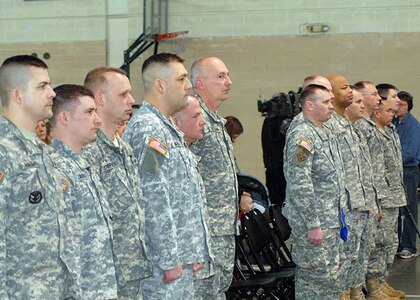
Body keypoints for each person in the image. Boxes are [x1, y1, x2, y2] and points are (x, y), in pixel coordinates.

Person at [123, 53, 212, 299]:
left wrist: (191, 250)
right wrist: (169, 258)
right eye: (181, 79)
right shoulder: (148, 129)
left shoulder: (165, 127)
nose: (189, 85)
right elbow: (153, 197)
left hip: (179, 258)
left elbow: (181, 195)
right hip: (163, 267)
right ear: (160, 85)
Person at [0, 55, 79, 298]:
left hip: (54, 289)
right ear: (18, 95)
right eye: (42, 86)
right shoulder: (4, 151)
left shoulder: (40, 149)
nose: (52, 93)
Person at [83, 66, 153, 298]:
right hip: (106, 274)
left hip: (132, 268)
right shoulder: (88, 151)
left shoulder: (123, 148)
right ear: (100, 99)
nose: (131, 100)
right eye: (123, 94)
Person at [49, 84, 119, 299]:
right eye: (89, 112)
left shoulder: (84, 162)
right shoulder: (53, 170)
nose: (97, 120)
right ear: (64, 118)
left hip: (101, 286)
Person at [283, 84, 345, 300]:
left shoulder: (323, 132)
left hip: (331, 220)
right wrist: (313, 224)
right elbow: (299, 181)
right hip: (315, 224)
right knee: (315, 281)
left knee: (330, 281)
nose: (331, 106)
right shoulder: (303, 137)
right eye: (326, 102)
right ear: (309, 105)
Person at [190, 56, 238, 299]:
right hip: (207, 230)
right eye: (220, 76)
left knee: (219, 291)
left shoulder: (215, 121)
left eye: (227, 75)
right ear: (200, 83)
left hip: (223, 227)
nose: (228, 81)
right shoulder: (192, 117)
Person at [344, 87, 379, 299]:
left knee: (360, 254)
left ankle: (358, 292)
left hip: (361, 204)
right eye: (357, 101)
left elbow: (365, 170)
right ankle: (348, 293)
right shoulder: (336, 131)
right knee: (348, 257)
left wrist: (371, 202)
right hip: (348, 207)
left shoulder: (355, 130)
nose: (363, 105)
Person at [370, 95, 407, 299]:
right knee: (380, 244)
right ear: (377, 112)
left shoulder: (390, 131)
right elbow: (376, 171)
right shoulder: (373, 133)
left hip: (394, 196)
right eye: (389, 110)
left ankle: (381, 282)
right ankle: (373, 286)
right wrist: (378, 202)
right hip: (384, 199)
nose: (393, 115)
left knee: (390, 243)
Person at [394, 91, 420, 259]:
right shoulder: (395, 123)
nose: (398, 108)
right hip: (397, 171)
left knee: (409, 208)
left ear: (408, 106)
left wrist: (390, 163)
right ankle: (397, 243)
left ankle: (410, 246)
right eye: (397, 104)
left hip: (408, 171)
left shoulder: (413, 125)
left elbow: (409, 153)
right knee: (396, 210)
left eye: (402, 105)